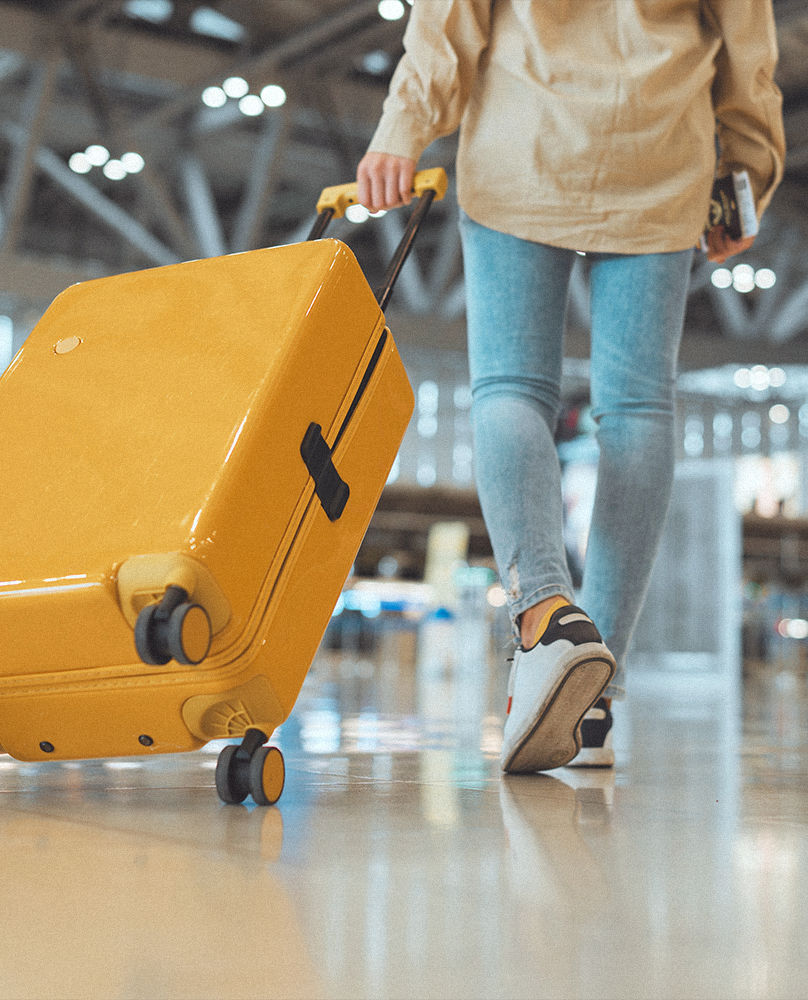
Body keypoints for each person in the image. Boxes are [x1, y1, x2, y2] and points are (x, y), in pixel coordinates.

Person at [357, 0, 784, 772]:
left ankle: (547, 619)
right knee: (640, 410)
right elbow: (748, 42)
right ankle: (594, 692)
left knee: (512, 390)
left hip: (525, 143)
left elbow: (451, 18)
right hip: (658, 152)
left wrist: (402, 126)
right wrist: (747, 168)